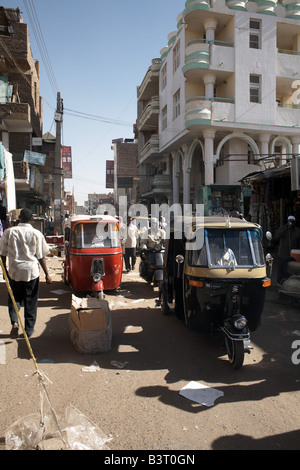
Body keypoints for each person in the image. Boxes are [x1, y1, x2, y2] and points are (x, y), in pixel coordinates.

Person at [0, 208, 52, 339]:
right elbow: (41, 256)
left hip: (14, 271)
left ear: (19, 218)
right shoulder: (36, 233)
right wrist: (47, 274)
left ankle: (14, 322)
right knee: (31, 301)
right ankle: (28, 331)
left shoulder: (9, 232)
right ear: (32, 219)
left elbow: (2, 254)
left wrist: (5, 271)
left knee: (14, 298)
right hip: (31, 271)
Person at [275, 215, 300, 285]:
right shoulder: (283, 229)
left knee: (291, 269)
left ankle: (290, 282)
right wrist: (285, 229)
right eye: (289, 221)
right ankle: (279, 283)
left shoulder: (297, 231)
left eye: (292, 222)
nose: (291, 223)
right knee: (281, 268)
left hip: (293, 254)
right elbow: (277, 237)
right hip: (283, 253)